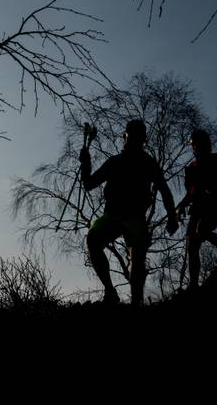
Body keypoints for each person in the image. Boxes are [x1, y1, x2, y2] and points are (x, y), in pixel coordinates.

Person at [80, 119, 178, 305]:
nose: (132, 140)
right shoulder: (117, 162)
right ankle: (112, 291)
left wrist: (172, 216)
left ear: (141, 140)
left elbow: (165, 191)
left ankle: (135, 303)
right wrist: (86, 162)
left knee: (137, 259)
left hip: (134, 217)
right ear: (126, 137)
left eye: (137, 138)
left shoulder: (146, 163)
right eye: (131, 137)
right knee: (94, 239)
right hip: (115, 216)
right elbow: (89, 184)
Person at [176, 129, 217, 290]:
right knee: (192, 244)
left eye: (196, 144)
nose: (194, 149)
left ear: (205, 144)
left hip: (213, 202)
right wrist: (180, 207)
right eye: (192, 145)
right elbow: (191, 192)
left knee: (203, 231)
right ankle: (193, 284)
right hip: (197, 208)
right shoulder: (191, 168)